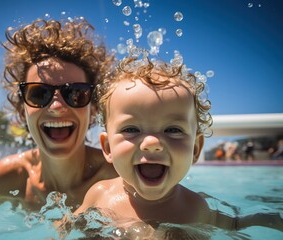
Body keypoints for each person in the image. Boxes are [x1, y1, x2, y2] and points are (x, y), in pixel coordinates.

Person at [74, 54, 283, 232]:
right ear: (108, 147)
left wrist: (269, 220)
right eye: (131, 129)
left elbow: (236, 225)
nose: (152, 143)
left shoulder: (195, 209)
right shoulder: (99, 196)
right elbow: (66, 228)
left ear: (196, 149)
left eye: (172, 130)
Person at [0, 17, 117, 222]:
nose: (56, 107)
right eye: (39, 94)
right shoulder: (12, 175)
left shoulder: (116, 174)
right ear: (22, 110)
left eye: (76, 94)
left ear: (93, 109)